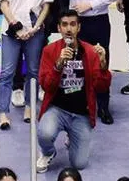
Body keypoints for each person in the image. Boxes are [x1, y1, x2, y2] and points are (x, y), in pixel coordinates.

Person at [52, 0, 118, 124]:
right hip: (77, 24)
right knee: (76, 64)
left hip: (99, 20)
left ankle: (103, 106)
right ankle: (80, 105)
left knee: (101, 61)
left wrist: (90, 4)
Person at [36, 9, 111, 172]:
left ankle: (73, 136)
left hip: (81, 114)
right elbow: (46, 86)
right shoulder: (49, 51)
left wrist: (103, 64)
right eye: (64, 25)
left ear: (79, 28)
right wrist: (59, 64)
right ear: (59, 28)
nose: (68, 29)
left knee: (79, 164)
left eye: (72, 24)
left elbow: (102, 87)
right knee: (44, 133)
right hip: (57, 109)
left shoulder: (90, 52)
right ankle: (48, 153)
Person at [0, 0, 52, 130]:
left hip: (34, 31)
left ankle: (30, 107)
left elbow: (46, 5)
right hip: (12, 32)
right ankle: (3, 113)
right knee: (7, 72)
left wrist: (36, 27)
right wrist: (16, 26)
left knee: (33, 71)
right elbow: (4, 3)